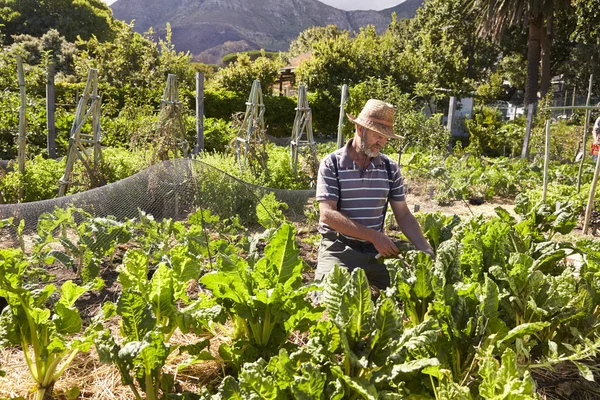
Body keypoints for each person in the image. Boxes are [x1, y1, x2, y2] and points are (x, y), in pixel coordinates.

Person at [315, 99, 433, 289]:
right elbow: (328, 215)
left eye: (386, 137)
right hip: (339, 247)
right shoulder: (332, 164)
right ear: (360, 129)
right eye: (378, 135)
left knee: (418, 287)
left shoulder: (389, 167)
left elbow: (403, 215)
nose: (382, 142)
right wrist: (374, 236)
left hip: (376, 251)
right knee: (330, 298)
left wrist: (426, 249)